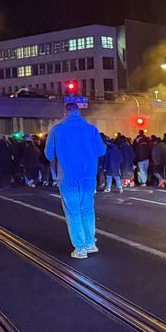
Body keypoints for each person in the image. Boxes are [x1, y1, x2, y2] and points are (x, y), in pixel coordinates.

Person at [45, 102, 106, 259]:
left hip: (68, 176)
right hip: (88, 176)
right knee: (87, 209)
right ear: (79, 112)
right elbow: (101, 150)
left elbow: (49, 154)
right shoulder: (91, 129)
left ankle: (80, 248)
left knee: (73, 212)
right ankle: (90, 243)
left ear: (65, 113)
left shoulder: (57, 130)